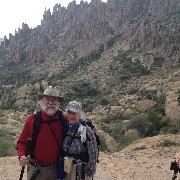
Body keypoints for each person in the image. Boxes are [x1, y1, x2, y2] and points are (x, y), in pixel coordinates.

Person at [16, 86, 65, 180]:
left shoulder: (62, 119)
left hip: (55, 169)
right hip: (36, 169)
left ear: (58, 102)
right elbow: (21, 143)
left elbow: (76, 122)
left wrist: (92, 128)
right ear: (42, 101)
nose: (51, 103)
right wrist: (21, 155)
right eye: (47, 99)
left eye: (54, 100)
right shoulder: (32, 120)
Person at [62, 101, 98, 180]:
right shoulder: (65, 127)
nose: (71, 116)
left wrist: (89, 172)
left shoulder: (85, 130)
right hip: (66, 168)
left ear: (80, 114)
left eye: (74, 113)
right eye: (69, 112)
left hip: (80, 169)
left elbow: (93, 152)